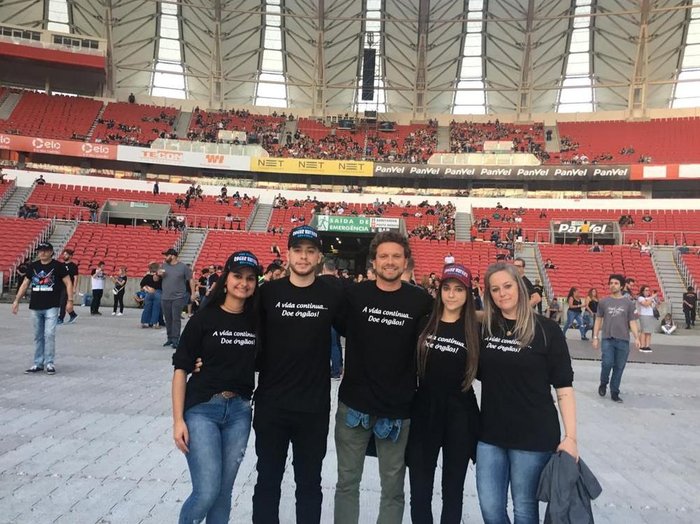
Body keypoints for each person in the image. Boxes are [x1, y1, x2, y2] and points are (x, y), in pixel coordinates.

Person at [334, 231, 433, 524]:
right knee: (347, 484)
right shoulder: (353, 295)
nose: (390, 262)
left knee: (393, 490)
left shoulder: (421, 301)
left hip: (398, 411)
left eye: (396, 256)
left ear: (406, 262)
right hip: (354, 407)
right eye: (384, 256)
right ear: (374, 262)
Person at [252, 225, 343, 523]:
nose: (303, 257)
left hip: (312, 408)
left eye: (310, 251)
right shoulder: (267, 293)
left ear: (318, 257)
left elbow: (364, 331)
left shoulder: (332, 294)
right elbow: (238, 328)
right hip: (271, 405)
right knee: (267, 482)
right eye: (298, 250)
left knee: (308, 485)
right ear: (288, 253)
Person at [476, 262, 577, 524]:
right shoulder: (485, 328)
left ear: (519, 287)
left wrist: (571, 437)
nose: (502, 293)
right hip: (491, 434)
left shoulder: (547, 330)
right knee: (490, 508)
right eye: (495, 289)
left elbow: (564, 387)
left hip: (534, 435)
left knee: (524, 510)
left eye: (507, 286)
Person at [172, 251, 261, 524]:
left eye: (250, 278)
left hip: (240, 412)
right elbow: (180, 369)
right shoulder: (204, 318)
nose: (243, 283)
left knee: (223, 493)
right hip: (202, 411)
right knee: (207, 491)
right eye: (237, 276)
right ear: (226, 278)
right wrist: (178, 421)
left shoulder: (258, 321)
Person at [406, 263, 480, 523]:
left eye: (459, 290)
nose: (451, 295)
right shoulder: (424, 324)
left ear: (467, 294)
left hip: (460, 415)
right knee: (420, 489)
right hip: (424, 411)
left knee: (452, 491)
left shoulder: (475, 330)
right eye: (447, 288)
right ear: (439, 291)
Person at [12, 242, 75, 375]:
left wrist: (70, 300)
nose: (43, 253)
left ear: (51, 251)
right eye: (40, 250)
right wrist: (16, 300)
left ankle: (49, 362)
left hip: (51, 306)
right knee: (38, 336)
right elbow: (25, 284)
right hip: (35, 306)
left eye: (46, 250)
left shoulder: (58, 266)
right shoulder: (33, 266)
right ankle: (38, 363)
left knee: (49, 334)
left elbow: (68, 283)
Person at [592, 274, 641, 403]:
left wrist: (637, 337)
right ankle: (603, 383)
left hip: (623, 339)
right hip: (608, 338)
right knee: (607, 363)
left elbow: (632, 322)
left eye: (615, 283)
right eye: (611, 283)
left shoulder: (628, 303)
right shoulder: (603, 302)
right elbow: (598, 320)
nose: (612, 285)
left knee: (619, 367)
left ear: (621, 286)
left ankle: (615, 391)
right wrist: (595, 336)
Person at [160, 248, 196, 347]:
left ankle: (176, 339)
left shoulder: (183, 267)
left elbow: (191, 280)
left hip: (178, 297)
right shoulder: (163, 266)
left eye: (167, 255)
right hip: (165, 296)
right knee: (168, 319)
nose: (165, 257)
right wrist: (157, 275)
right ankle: (169, 338)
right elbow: (156, 278)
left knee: (176, 318)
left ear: (173, 256)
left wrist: (193, 293)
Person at [57, 249, 79, 325]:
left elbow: (75, 277)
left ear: (70, 256)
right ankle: (73, 315)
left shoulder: (73, 266)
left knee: (63, 303)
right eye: (64, 254)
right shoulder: (61, 265)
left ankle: (60, 319)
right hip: (60, 286)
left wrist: (74, 287)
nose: (64, 256)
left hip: (68, 287)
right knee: (62, 303)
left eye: (66, 254)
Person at [140, 262, 162, 328]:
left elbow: (142, 285)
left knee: (147, 308)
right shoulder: (160, 277)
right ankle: (154, 323)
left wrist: (148, 290)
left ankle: (144, 322)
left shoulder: (147, 276)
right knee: (156, 308)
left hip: (149, 293)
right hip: (158, 292)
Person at [636, 285, 658, 353]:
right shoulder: (640, 298)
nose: (647, 292)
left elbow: (654, 306)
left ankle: (647, 345)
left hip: (651, 315)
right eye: (646, 290)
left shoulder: (650, 298)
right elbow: (645, 304)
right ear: (642, 291)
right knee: (644, 331)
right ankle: (642, 346)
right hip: (644, 315)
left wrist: (655, 299)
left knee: (649, 331)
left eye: (648, 290)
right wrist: (652, 297)